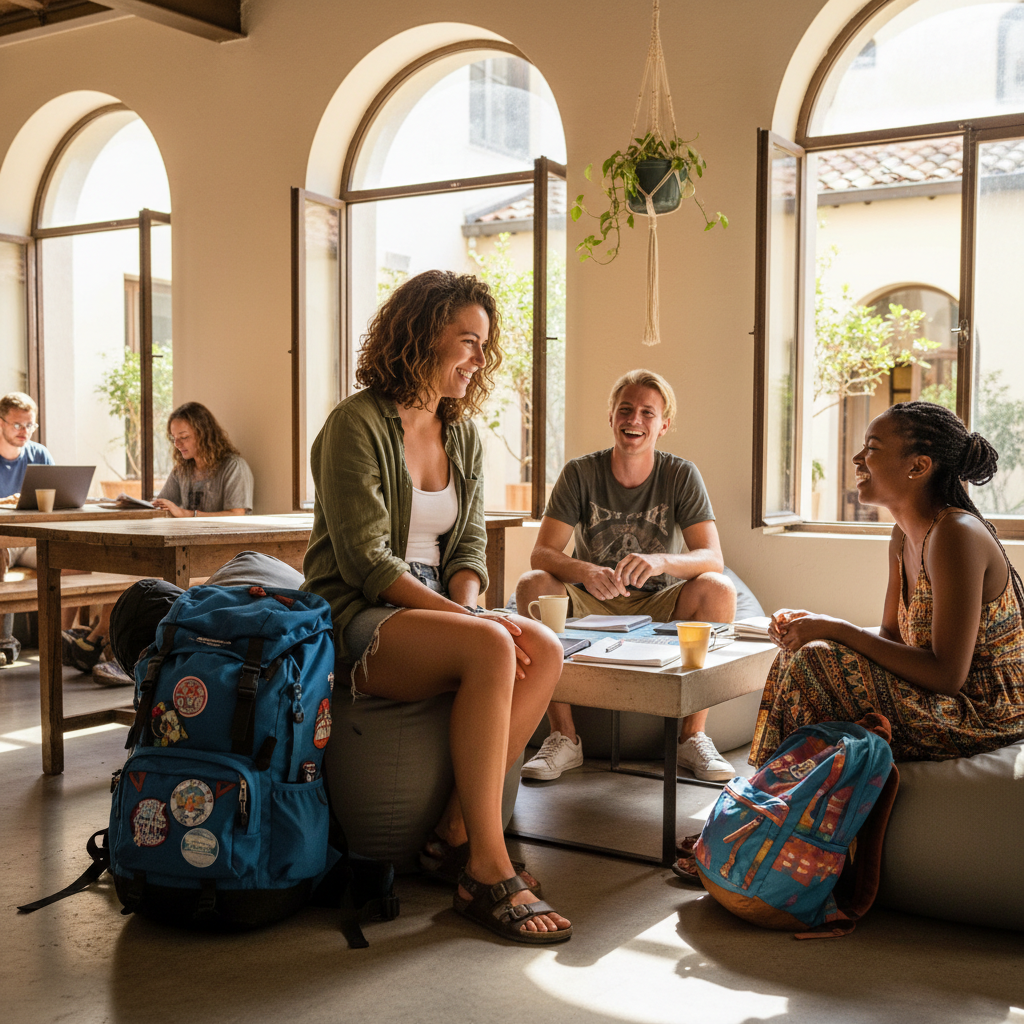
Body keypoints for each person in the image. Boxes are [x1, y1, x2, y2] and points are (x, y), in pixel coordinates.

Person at [301, 269, 570, 945]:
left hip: (435, 606)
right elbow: (366, 562)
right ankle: (486, 866)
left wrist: (471, 604)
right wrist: (472, 624)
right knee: (492, 645)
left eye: (484, 345)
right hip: (355, 610)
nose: (479, 360)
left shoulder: (464, 434)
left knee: (545, 647)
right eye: (467, 342)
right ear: (421, 335)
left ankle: (455, 827)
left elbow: (469, 547)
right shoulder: (353, 424)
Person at [751, 401, 1024, 766]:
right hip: (941, 699)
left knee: (815, 660)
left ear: (918, 466)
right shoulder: (902, 536)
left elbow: (947, 676)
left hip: (984, 710)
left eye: (873, 448)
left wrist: (836, 628)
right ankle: (783, 794)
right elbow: (890, 638)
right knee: (801, 651)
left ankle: (783, 800)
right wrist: (815, 626)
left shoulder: (956, 534)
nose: (857, 458)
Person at [515, 369, 738, 781]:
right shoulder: (580, 473)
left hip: (659, 602)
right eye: (626, 410)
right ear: (612, 418)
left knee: (718, 589)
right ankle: (564, 736)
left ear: (664, 424)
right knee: (533, 586)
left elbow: (712, 557)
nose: (635, 420)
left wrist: (661, 561)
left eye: (647, 413)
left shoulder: (680, 475)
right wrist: (583, 569)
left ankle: (692, 737)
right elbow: (541, 553)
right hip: (591, 598)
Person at [63, 402, 254, 684]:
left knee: (140, 580)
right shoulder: (182, 471)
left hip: (213, 555)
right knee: (125, 570)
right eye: (174, 438)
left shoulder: (233, 467)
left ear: (204, 433)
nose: (177, 444)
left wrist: (187, 514)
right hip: (177, 548)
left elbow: (238, 514)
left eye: (184, 436)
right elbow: (166, 506)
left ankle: (99, 644)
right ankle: (105, 647)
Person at [0, 392, 55, 665]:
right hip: (4, 541)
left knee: (77, 559)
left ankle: (64, 638)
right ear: (1, 423)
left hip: (34, 538)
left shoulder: (39, 454)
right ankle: (3, 642)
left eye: (30, 425)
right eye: (17, 425)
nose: (25, 432)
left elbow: (57, 497)